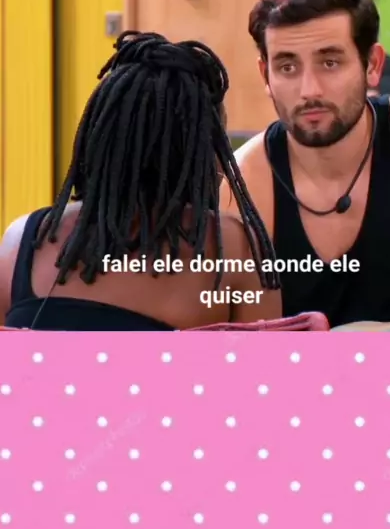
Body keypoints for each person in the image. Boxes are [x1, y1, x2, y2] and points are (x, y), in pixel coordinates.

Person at [220, 0, 390, 326]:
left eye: (330, 62)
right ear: (266, 75)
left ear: (372, 65)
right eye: (287, 67)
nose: (309, 90)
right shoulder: (244, 186)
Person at [0, 32, 281, 330]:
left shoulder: (23, 240)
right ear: (204, 150)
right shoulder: (235, 248)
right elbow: (268, 359)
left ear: (97, 137)